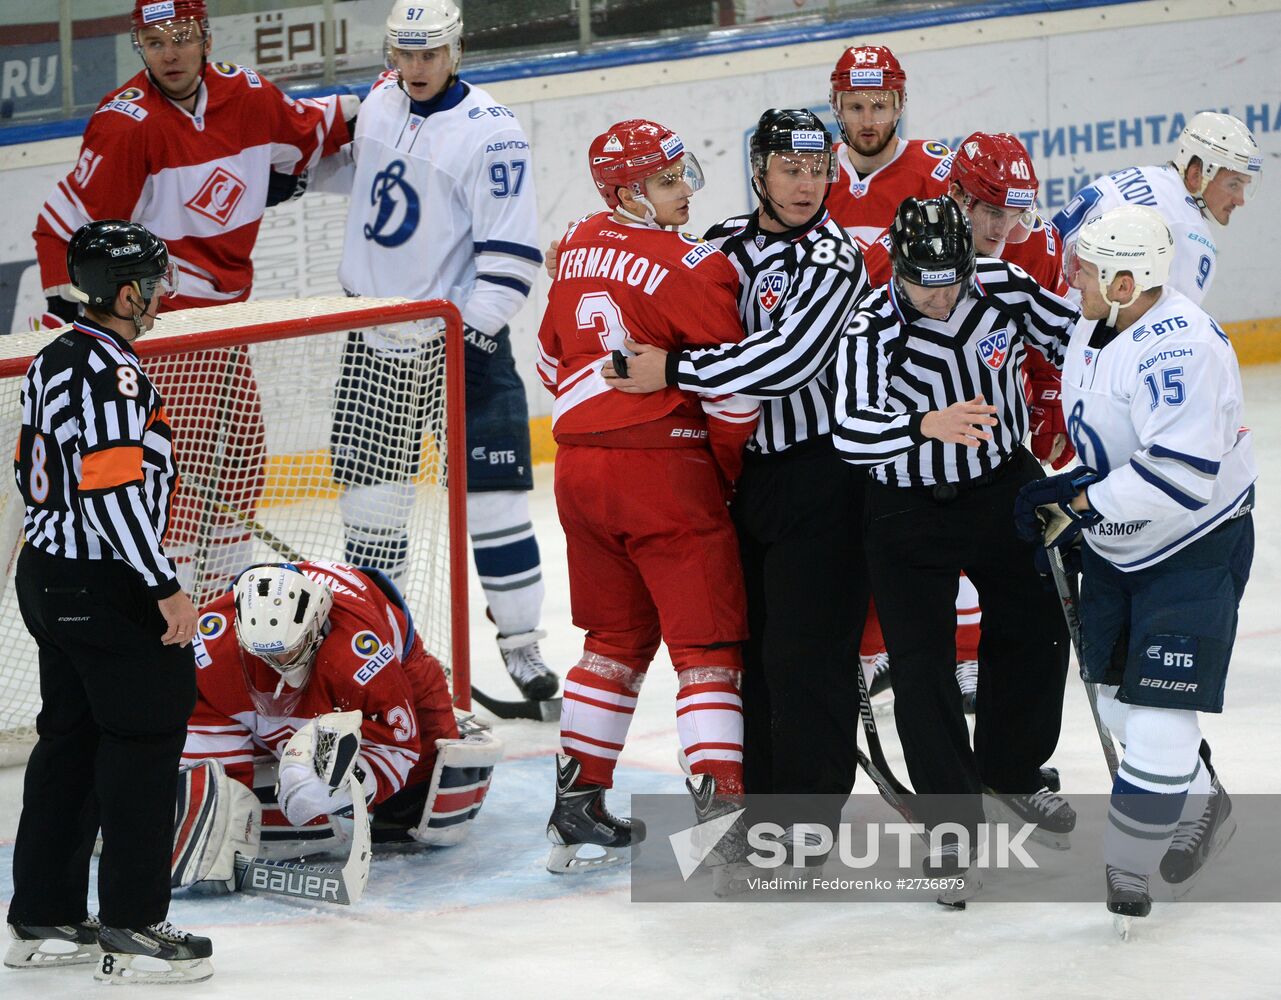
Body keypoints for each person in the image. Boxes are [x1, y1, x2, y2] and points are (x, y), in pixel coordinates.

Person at [30, 0, 355, 606]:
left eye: (180, 37)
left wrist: (391, 97)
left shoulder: (248, 94)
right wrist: (72, 319)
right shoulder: (127, 124)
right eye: (153, 42)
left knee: (242, 467)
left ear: (206, 36)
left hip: (229, 321)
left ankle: (223, 611)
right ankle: (180, 620)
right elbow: (60, 227)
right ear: (140, 48)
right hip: (166, 329)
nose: (169, 53)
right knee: (176, 478)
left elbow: (319, 127)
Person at [600, 110, 869, 839]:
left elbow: (787, 362)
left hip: (824, 478)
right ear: (758, 170)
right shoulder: (717, 244)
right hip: (739, 478)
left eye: (818, 170)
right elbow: (644, 290)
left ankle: (808, 820)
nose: (807, 185)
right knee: (745, 651)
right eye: (790, 169)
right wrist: (586, 253)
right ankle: (756, 812)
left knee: (805, 657)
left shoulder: (834, 259)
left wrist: (677, 368)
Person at [1015, 206, 1255, 927]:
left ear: (1126, 280)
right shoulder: (1100, 323)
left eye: (1084, 270)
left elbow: (1180, 476)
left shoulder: (1177, 347)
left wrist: (1079, 503)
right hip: (1120, 546)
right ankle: (1201, 798)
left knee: (1157, 716)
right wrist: (1071, 485)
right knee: (1119, 701)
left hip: (1192, 546)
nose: (1070, 278)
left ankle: (1126, 865)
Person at [536, 118, 758, 875]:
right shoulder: (694, 266)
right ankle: (724, 821)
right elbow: (732, 397)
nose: (685, 189)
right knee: (705, 650)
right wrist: (727, 474)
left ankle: (575, 808)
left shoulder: (571, 253)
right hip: (662, 474)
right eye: (667, 181)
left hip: (577, 475)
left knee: (611, 645)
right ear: (629, 192)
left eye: (682, 172)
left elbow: (547, 362)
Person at [832, 197, 1079, 872]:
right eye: (923, 282)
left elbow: (1075, 337)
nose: (939, 298)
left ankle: (1009, 768)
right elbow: (849, 432)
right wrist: (922, 425)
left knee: (1039, 625)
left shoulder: (999, 286)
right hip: (907, 508)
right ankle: (949, 821)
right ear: (897, 268)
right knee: (922, 665)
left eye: (951, 280)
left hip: (1000, 484)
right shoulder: (871, 325)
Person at [321, 0, 554, 703]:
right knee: (372, 513)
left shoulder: (493, 133)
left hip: (464, 349)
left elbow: (513, 257)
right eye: (404, 54)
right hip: (373, 344)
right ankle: (383, 648)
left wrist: (467, 335)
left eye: (428, 54)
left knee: (496, 507)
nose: (415, 68)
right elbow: (350, 174)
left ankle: (520, 647)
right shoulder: (381, 103)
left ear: (455, 50)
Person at [6, 221, 212, 984]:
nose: (162, 297)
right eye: (154, 284)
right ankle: (133, 926)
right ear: (127, 293)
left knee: (71, 742)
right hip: (105, 582)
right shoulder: (112, 371)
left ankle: (45, 917)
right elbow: (115, 490)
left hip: (49, 576)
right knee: (144, 744)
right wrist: (165, 588)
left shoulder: (56, 353)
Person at [862, 131, 1077, 713]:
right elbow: (861, 371)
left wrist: (1052, 402)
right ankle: (942, 657)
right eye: (991, 212)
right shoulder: (899, 254)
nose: (1002, 231)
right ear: (958, 195)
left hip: (1003, 432)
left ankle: (1005, 736)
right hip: (918, 465)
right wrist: (917, 425)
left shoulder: (1029, 249)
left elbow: (1062, 334)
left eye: (1016, 214)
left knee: (1027, 592)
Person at [178, 561, 498, 867]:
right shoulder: (212, 640)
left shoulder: (361, 653)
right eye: (264, 655)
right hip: (302, 666)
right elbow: (200, 724)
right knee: (226, 795)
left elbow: (399, 746)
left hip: (395, 665)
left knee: (419, 811)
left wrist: (341, 790)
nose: (275, 663)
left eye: (287, 651)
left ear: (315, 627)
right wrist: (215, 816)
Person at [1052, 112, 1262, 307]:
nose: (1240, 200)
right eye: (1233, 184)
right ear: (1197, 174)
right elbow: (1169, 331)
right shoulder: (1187, 234)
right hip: (1069, 331)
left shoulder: (1145, 176)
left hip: (1038, 309)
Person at [825, 44, 954, 251]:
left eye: (879, 107)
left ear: (899, 106)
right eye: (856, 107)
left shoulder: (934, 173)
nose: (867, 122)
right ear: (837, 108)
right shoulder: (817, 171)